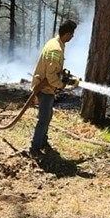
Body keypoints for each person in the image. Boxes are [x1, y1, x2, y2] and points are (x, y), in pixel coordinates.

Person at [29, 19, 77, 158]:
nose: (72, 37)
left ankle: (42, 141)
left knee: (47, 116)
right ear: (67, 34)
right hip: (44, 88)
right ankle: (35, 148)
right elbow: (50, 75)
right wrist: (61, 85)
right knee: (44, 118)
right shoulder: (55, 49)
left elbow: (54, 69)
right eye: (72, 34)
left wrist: (66, 77)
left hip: (47, 87)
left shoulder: (57, 44)